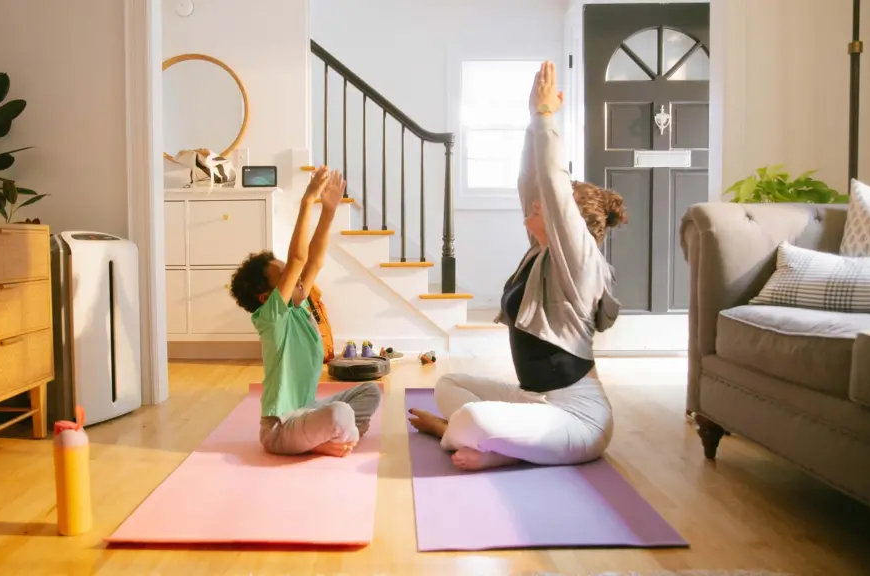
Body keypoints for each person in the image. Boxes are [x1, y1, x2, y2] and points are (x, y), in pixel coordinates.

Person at [408, 61, 628, 471]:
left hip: (577, 418)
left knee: (470, 417)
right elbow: (531, 180)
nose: (535, 203)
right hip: (533, 401)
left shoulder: (579, 265)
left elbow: (551, 182)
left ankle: (468, 437)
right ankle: (491, 441)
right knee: (449, 384)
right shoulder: (539, 253)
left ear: (567, 225)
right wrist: (531, 121)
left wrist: (547, 118)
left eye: (546, 204)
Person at [230, 167, 382, 457]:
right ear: (267, 296)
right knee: (339, 413)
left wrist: (328, 210)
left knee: (369, 392)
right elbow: (299, 258)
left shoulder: (298, 307)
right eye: (285, 275)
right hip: (280, 429)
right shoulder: (271, 319)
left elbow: (313, 260)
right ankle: (337, 437)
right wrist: (307, 201)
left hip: (308, 412)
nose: (296, 276)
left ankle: (332, 438)